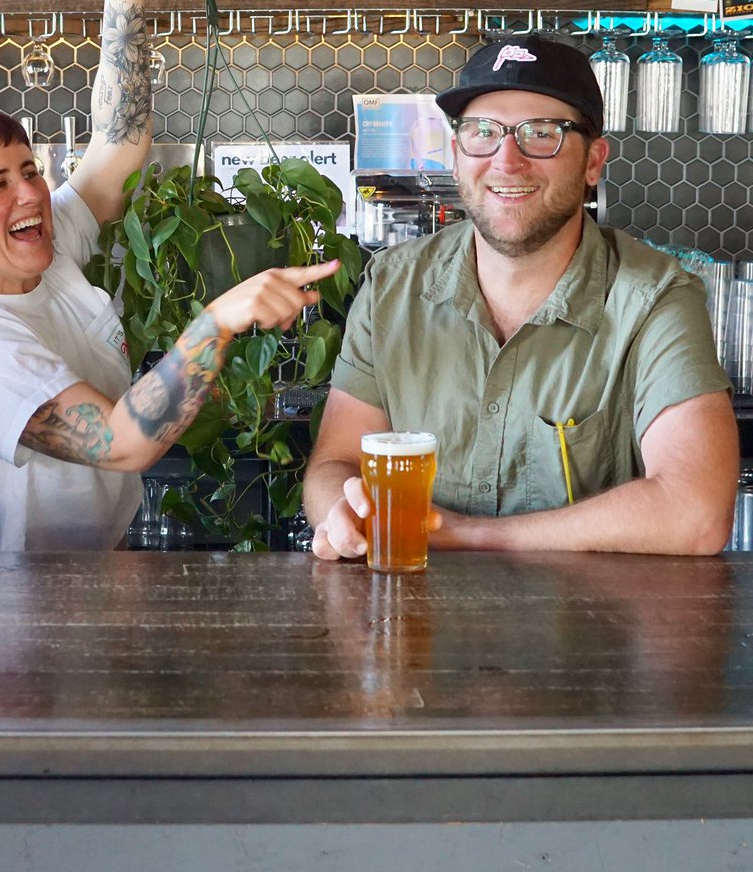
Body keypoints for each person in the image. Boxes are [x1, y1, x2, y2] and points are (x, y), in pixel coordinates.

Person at [0, 0, 339, 550]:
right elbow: (122, 443)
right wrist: (217, 321)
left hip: (90, 579)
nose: (31, 193)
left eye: (30, 171)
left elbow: (119, 145)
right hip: (16, 620)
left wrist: (124, 0)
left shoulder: (48, 259)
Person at [305, 35, 738, 559]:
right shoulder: (393, 285)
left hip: (585, 633)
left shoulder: (655, 298)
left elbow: (695, 513)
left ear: (594, 161)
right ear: (458, 152)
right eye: (481, 132)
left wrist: (469, 535)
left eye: (541, 134)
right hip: (410, 626)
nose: (506, 161)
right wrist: (342, 510)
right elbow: (336, 464)